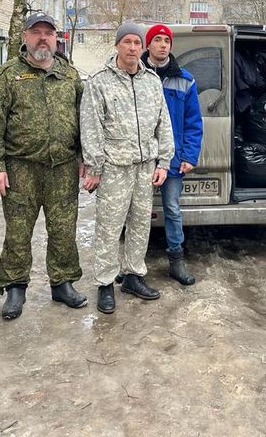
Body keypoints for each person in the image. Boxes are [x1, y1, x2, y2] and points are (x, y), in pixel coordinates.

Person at [0, 12, 87, 320]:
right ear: (25, 37)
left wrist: (85, 158)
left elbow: (84, 121)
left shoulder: (70, 75)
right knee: (18, 231)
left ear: (56, 38)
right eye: (36, 32)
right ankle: (15, 287)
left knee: (63, 229)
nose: (43, 38)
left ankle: (63, 282)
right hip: (20, 168)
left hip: (63, 167)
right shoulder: (8, 75)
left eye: (48, 33)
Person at [81, 22, 175, 314]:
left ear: (142, 47)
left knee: (139, 224)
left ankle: (134, 276)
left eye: (137, 42)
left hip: (145, 167)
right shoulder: (99, 82)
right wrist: (94, 167)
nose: (133, 48)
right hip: (114, 167)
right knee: (109, 228)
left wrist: (163, 162)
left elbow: (164, 124)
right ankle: (106, 284)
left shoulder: (152, 81)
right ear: (117, 46)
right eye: (127, 42)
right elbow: (91, 128)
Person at [141, 23, 203, 285]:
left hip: (173, 160)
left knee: (172, 209)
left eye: (167, 40)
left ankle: (176, 262)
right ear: (148, 45)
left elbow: (193, 122)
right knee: (137, 212)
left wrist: (189, 156)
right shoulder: (135, 74)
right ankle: (133, 265)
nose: (163, 44)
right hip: (140, 158)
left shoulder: (185, 80)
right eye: (157, 40)